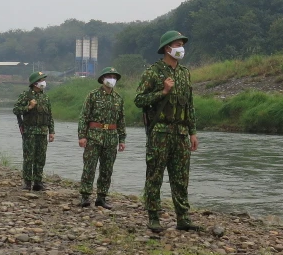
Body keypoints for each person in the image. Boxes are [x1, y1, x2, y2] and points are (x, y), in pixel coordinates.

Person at [134, 30, 200, 233]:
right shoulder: (153, 72)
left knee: (181, 177)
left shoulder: (184, 73)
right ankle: (153, 217)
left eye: (182, 44)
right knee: (155, 176)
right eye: (177, 44)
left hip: (180, 132)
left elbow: (189, 105)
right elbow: (139, 100)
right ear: (167, 48)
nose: (181, 48)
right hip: (160, 131)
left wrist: (192, 132)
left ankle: (183, 218)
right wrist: (162, 92)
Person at [77, 66, 126, 209]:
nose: (112, 79)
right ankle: (85, 196)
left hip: (111, 137)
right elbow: (83, 116)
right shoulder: (93, 95)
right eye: (109, 76)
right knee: (89, 167)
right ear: (103, 79)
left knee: (107, 169)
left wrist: (122, 139)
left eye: (114, 77)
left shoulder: (118, 98)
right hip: (94, 136)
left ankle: (101, 197)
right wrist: (82, 136)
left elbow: (121, 120)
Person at [13, 71, 55, 190]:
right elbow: (16, 110)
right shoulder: (26, 95)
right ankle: (27, 182)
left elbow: (49, 115)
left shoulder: (45, 97)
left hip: (42, 131)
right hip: (29, 131)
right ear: (35, 83)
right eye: (41, 80)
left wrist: (51, 131)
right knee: (29, 157)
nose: (43, 82)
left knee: (41, 157)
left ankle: (38, 182)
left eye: (43, 80)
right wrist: (29, 107)